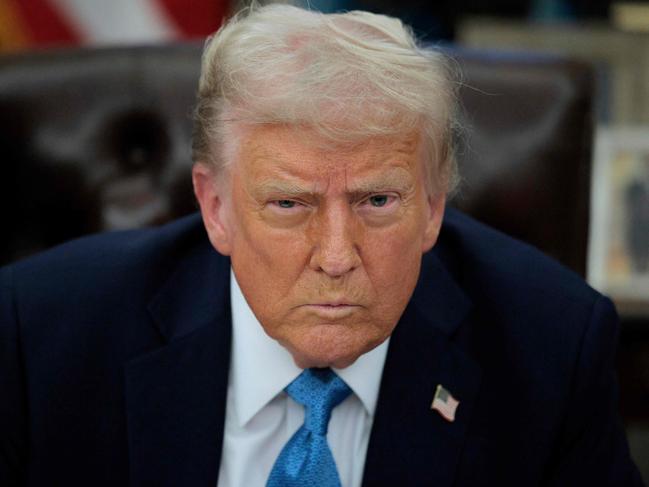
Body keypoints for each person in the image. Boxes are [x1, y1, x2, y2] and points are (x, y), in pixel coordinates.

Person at [0, 4, 643, 487]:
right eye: (288, 204)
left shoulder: (552, 348)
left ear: (432, 205)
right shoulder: (45, 335)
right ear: (216, 208)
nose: (337, 257)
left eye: (377, 202)